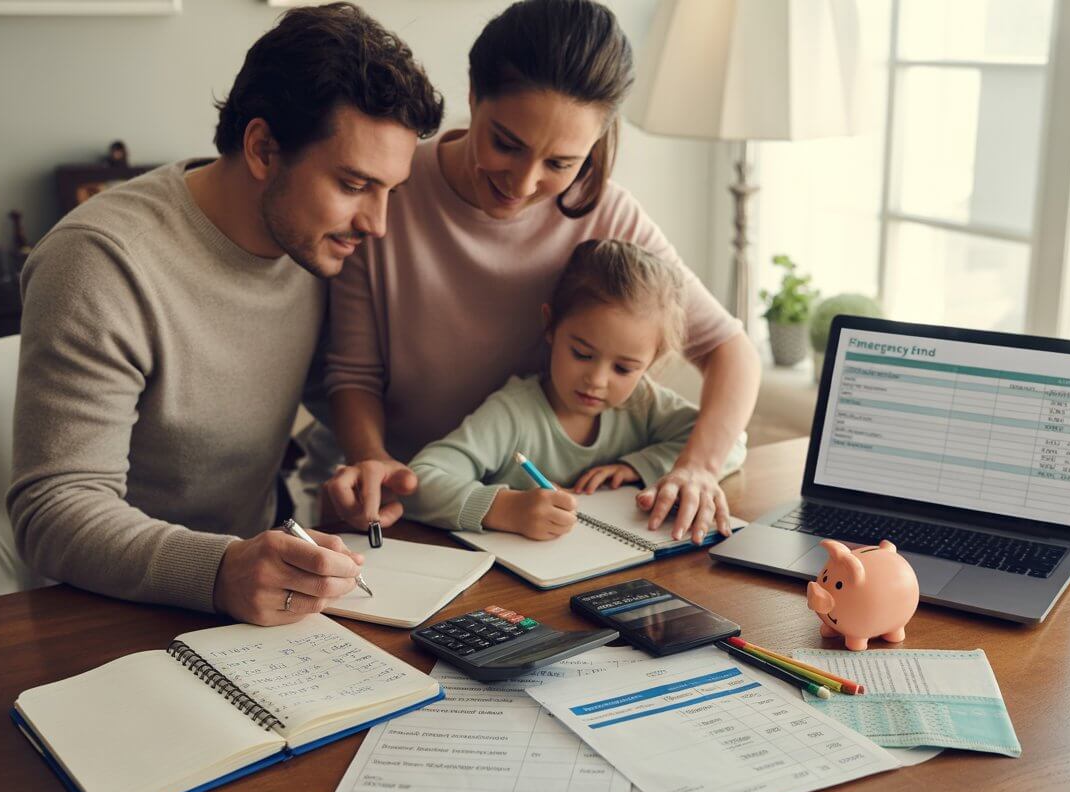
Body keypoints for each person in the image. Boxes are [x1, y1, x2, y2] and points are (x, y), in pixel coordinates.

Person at [7, 3, 443, 625]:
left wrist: (365, 458)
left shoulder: (317, 246)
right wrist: (221, 570)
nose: (376, 224)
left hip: (262, 593)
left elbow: (335, 385)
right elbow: (54, 510)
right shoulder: (99, 262)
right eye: (353, 185)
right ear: (263, 148)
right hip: (103, 609)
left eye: (390, 191)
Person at [323, 0, 761, 547]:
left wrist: (695, 467)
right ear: (473, 95)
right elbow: (354, 375)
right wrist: (373, 459)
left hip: (542, 528)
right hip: (416, 512)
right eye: (506, 144)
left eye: (560, 163)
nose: (524, 183)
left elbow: (730, 351)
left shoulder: (607, 213)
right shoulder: (392, 192)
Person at [405, 239, 747, 539]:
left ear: (651, 361)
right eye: (582, 354)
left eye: (623, 368)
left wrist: (640, 466)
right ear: (550, 326)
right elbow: (419, 481)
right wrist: (506, 509)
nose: (597, 380)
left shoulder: (644, 402)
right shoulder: (513, 413)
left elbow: (732, 442)